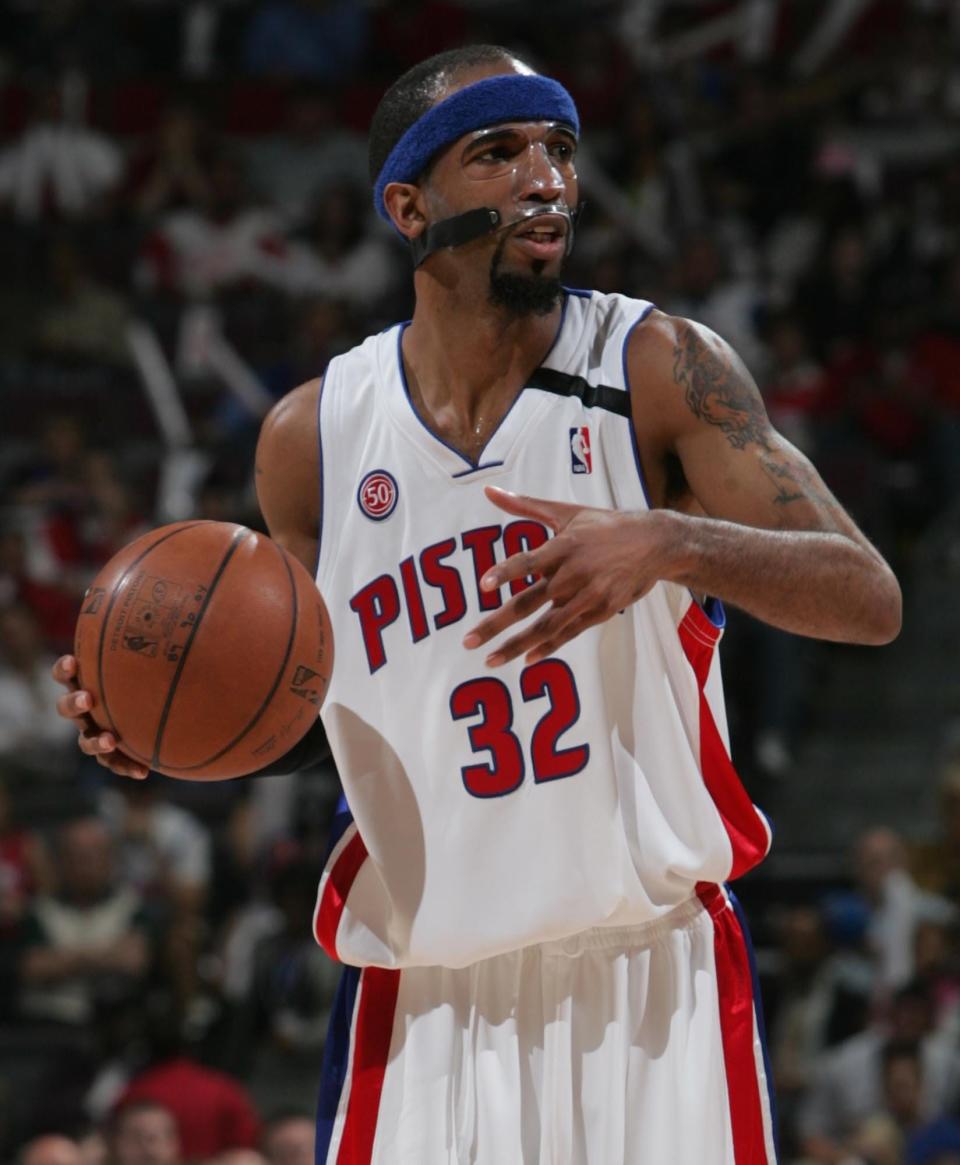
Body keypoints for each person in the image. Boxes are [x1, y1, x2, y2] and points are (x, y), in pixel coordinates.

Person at [53, 44, 902, 1165]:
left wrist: (668, 541)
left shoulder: (651, 365)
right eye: (496, 154)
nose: (544, 179)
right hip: (426, 992)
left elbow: (870, 596)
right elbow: (311, 710)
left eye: (559, 151)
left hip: (647, 975)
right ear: (409, 205)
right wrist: (163, 722)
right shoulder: (316, 435)